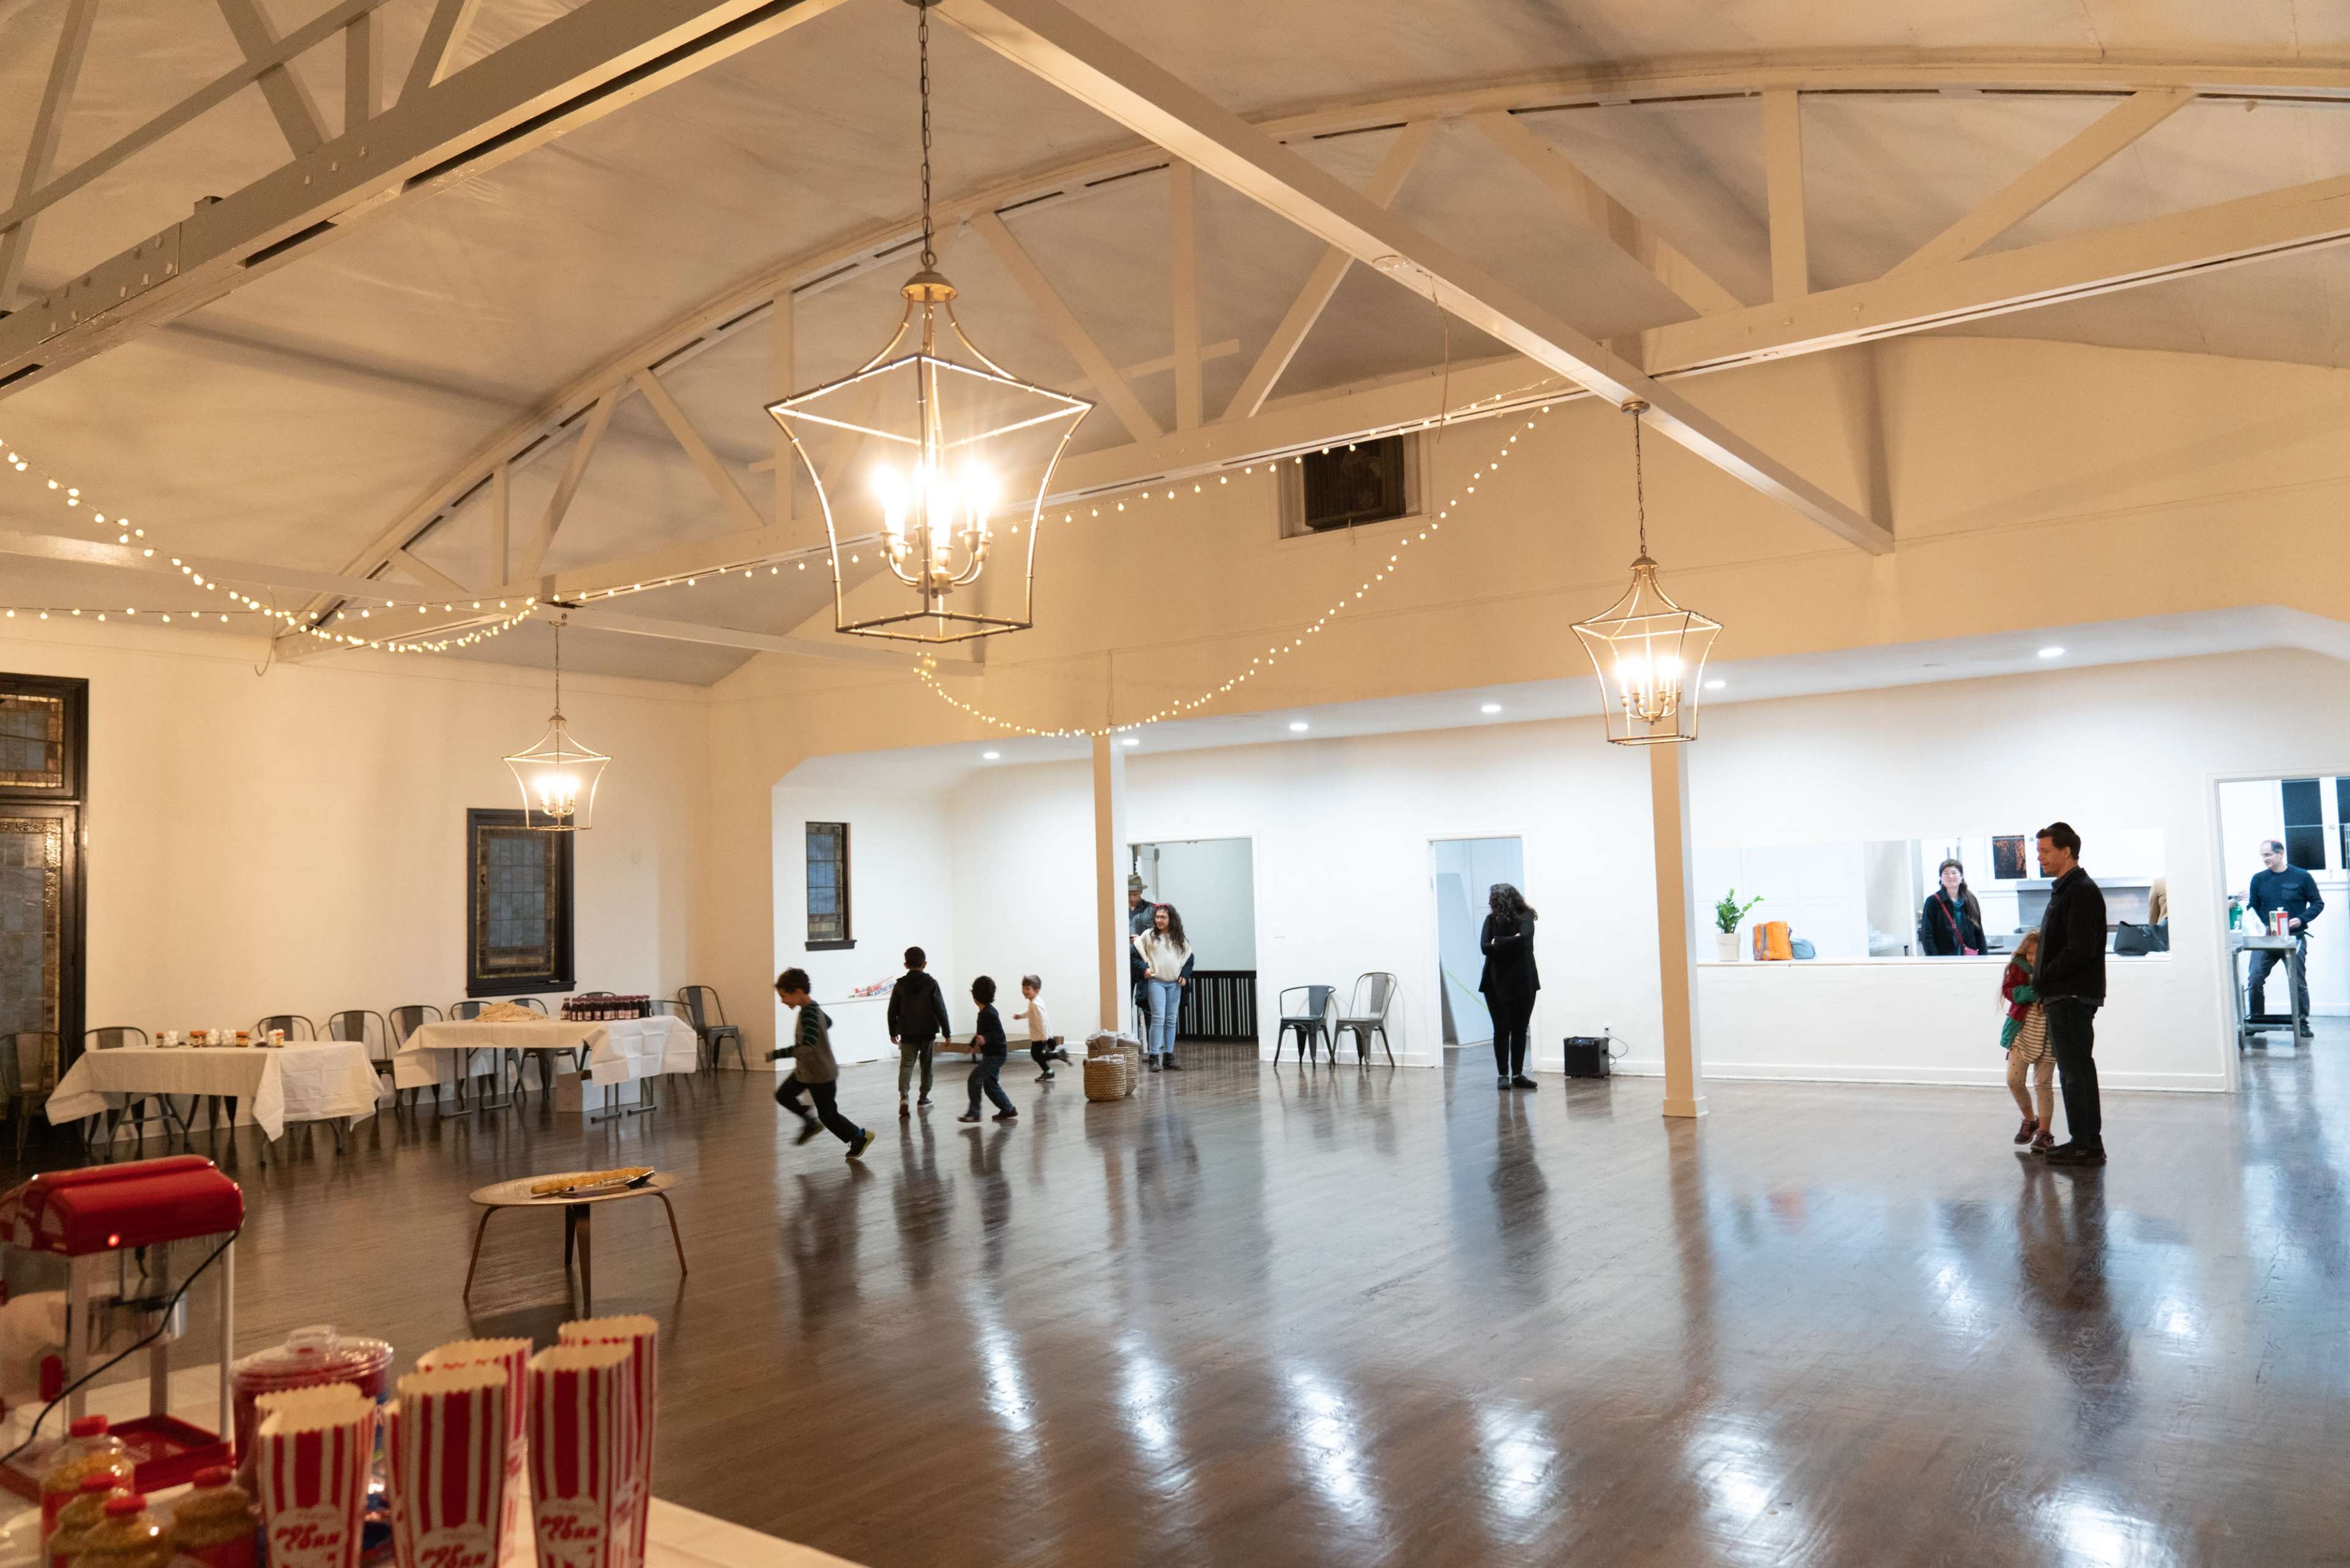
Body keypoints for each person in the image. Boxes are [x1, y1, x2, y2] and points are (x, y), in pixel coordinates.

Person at [2034, 823, 2107, 1167]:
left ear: (2066, 851)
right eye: (2039, 852)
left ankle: (2084, 1145)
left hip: (2071, 995)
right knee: (2079, 1070)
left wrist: (2044, 978)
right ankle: (2088, 1142)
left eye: (2046, 851)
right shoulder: (2068, 889)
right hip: (2068, 994)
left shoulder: (2080, 890)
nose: (2040, 858)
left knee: (2075, 1072)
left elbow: (2079, 948)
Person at [771, 968, 876, 1159]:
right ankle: (809, 1122)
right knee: (783, 1095)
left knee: (828, 1116)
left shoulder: (809, 1013)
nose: (782, 1001)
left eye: (783, 996)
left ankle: (860, 1136)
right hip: (806, 1071)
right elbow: (828, 1022)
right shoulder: (812, 1008)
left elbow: (807, 1048)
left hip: (820, 1075)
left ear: (798, 992)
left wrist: (777, 1054)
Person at [2248, 838, 2322, 1038]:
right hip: (2265, 940)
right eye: (2262, 855)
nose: (2264, 859)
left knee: (2297, 982)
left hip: (2294, 939)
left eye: (2268, 855)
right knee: (2254, 979)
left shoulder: (2302, 877)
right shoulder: (2258, 879)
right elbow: (2252, 906)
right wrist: (2258, 926)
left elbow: (2317, 904)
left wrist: (2301, 919)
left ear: (2280, 854)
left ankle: (2302, 1022)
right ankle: (2256, 1021)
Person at [1478, 883, 1540, 1091]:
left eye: (1493, 899)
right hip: (1495, 983)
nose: (1489, 903)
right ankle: (1503, 1075)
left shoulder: (1526, 916)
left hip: (1524, 981)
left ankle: (1518, 1074)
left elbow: (1524, 940)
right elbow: (1485, 948)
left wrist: (1499, 942)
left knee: (1520, 1029)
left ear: (1502, 900)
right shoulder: (1491, 920)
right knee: (1501, 1029)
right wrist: (1509, 940)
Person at [1999, 929, 2056, 1153]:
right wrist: (2035, 992)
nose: (2032, 958)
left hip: (2049, 1035)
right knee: (2014, 1080)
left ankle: (2044, 1132)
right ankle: (2029, 1119)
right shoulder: (2018, 967)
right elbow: (2010, 991)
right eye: (2029, 953)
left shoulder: (2055, 970)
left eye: (2037, 953)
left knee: (2043, 1084)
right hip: (2022, 1033)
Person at [886, 946, 953, 1118]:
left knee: (906, 1065)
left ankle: (904, 1098)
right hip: (927, 1031)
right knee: (926, 1066)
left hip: (907, 1032)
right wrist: (947, 1032)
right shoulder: (931, 983)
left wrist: (892, 1031)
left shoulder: (900, 985)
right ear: (925, 964)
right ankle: (923, 1099)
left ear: (905, 964)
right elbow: (940, 1009)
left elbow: (892, 1009)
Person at [1133, 903, 1195, 1072]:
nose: (1159, 920)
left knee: (1171, 1020)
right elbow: (1135, 954)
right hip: (1156, 981)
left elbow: (1189, 959)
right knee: (1158, 1018)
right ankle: (1154, 1057)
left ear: (1171, 919)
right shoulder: (1149, 935)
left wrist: (1185, 975)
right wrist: (1144, 968)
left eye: (1163, 917)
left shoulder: (1179, 937)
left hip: (1174, 983)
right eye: (1158, 917)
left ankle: (1169, 1057)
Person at [958, 975, 1017, 1124]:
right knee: (990, 1086)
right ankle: (1008, 1109)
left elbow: (997, 1032)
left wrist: (986, 1039)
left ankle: (974, 1113)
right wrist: (973, 1044)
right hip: (992, 1054)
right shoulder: (985, 1012)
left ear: (975, 996)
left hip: (996, 1055)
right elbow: (981, 1032)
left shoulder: (989, 1013)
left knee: (975, 1079)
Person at [1918, 859, 1987, 956]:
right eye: (1946, 873)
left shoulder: (1971, 899)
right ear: (1941, 878)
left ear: (1961, 876)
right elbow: (1927, 936)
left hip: (1970, 957)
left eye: (1954, 873)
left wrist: (1984, 957)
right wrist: (1935, 960)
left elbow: (1979, 931)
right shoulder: (1933, 901)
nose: (1950, 876)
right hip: (1945, 958)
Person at [1011, 974, 1068, 1081]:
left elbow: (1042, 1021)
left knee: (1036, 1055)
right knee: (1037, 1055)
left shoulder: (1035, 1004)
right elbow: (1031, 1014)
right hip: (1041, 1035)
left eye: (1028, 989)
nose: (1024, 991)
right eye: (1023, 988)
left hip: (1040, 1036)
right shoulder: (1035, 1001)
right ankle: (1049, 1069)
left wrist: (1045, 1038)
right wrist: (1020, 1016)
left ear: (1036, 990)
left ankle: (1057, 1057)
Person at [1127, 875, 1154, 1034]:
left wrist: (1143, 938)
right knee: (1124, 1006)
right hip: (1124, 964)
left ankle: (1153, 1050)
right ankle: (1129, 1048)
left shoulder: (1152, 909)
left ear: (1141, 892)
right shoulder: (1116, 908)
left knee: (1147, 1005)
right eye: (1129, 894)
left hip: (1145, 962)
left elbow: (1161, 934)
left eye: (1135, 894)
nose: (1132, 898)